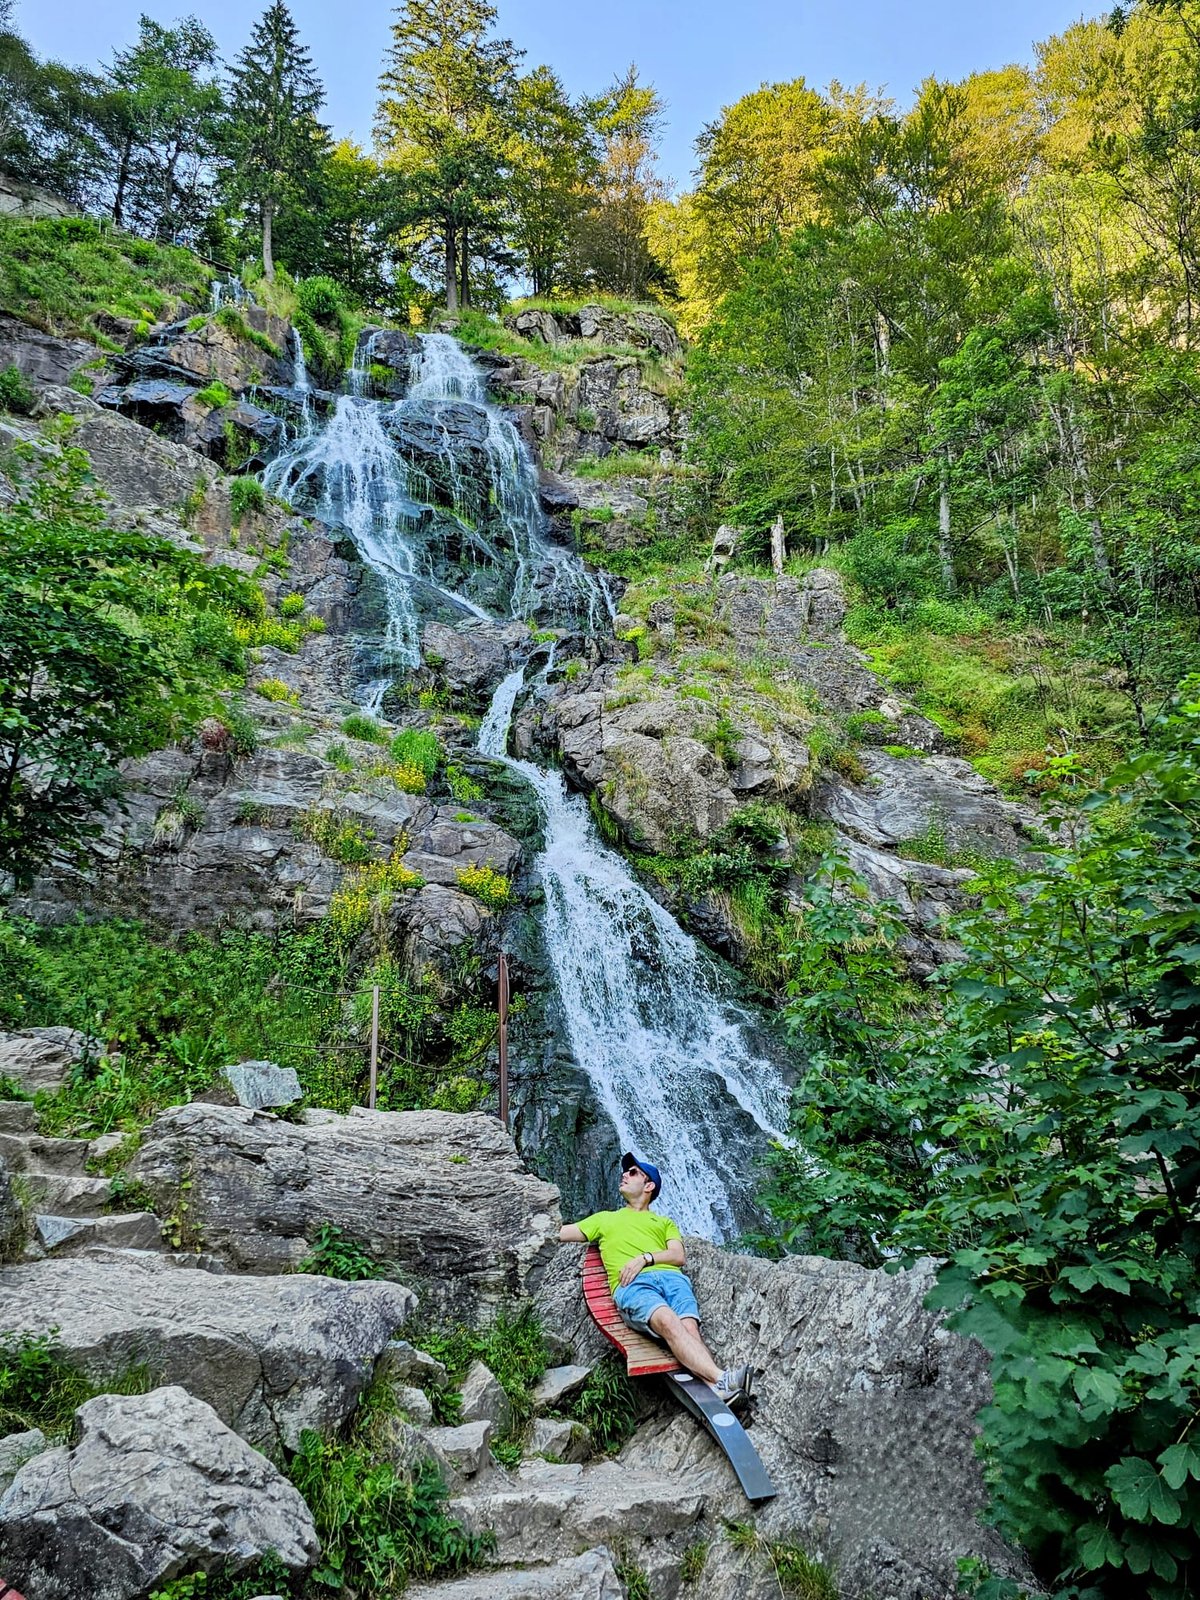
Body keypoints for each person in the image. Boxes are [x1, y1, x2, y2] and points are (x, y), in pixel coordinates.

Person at [558, 1151, 754, 1409]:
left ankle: (715, 1391)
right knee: (667, 1320)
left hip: (673, 1279)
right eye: (625, 1172)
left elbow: (678, 1255)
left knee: (690, 1330)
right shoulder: (604, 1219)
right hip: (635, 1287)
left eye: (633, 1172)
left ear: (649, 1185)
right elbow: (559, 1232)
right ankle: (722, 1378)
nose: (624, 1175)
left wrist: (645, 1258)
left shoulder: (664, 1223)